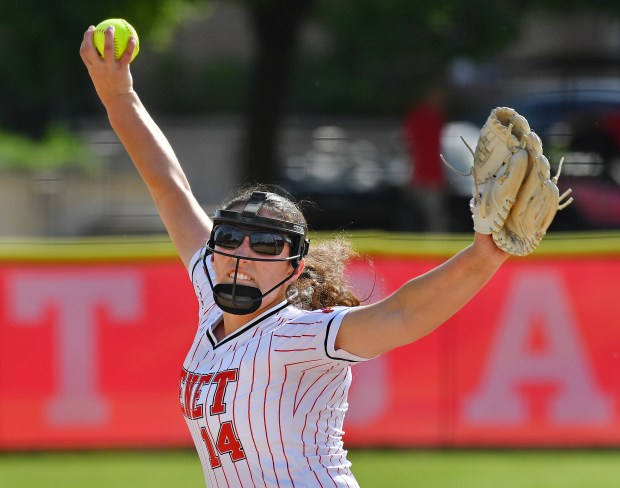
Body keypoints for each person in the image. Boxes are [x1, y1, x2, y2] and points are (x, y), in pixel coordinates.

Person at [80, 25, 509, 487]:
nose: (242, 253)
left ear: (295, 267)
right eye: (230, 237)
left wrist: (484, 256)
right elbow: (169, 189)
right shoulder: (213, 296)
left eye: (266, 245)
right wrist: (118, 95)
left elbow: (401, 315)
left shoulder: (298, 333)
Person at [402, 84, 449, 232]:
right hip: (421, 173)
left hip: (433, 174)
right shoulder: (419, 116)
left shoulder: (438, 117)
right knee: (421, 213)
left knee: (434, 214)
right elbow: (411, 145)